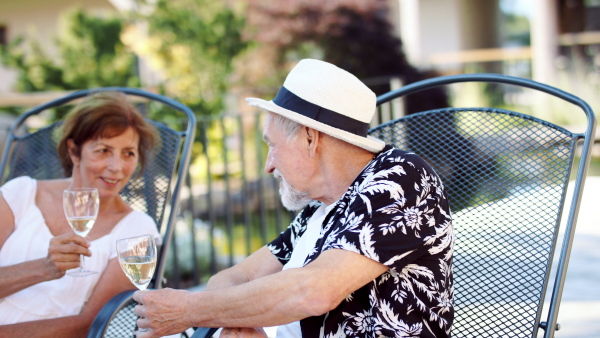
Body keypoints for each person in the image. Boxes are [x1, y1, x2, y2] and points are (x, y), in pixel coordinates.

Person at [133, 59, 454, 338]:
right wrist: (234, 323)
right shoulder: (321, 206)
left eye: (271, 145)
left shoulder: (400, 178)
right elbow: (237, 276)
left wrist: (192, 309)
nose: (268, 164)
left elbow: (314, 290)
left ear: (310, 138)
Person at [0, 91, 160, 336]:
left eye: (128, 153)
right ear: (74, 151)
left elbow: (91, 325)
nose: (116, 167)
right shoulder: (19, 195)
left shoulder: (136, 230)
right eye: (103, 150)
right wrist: (43, 268)